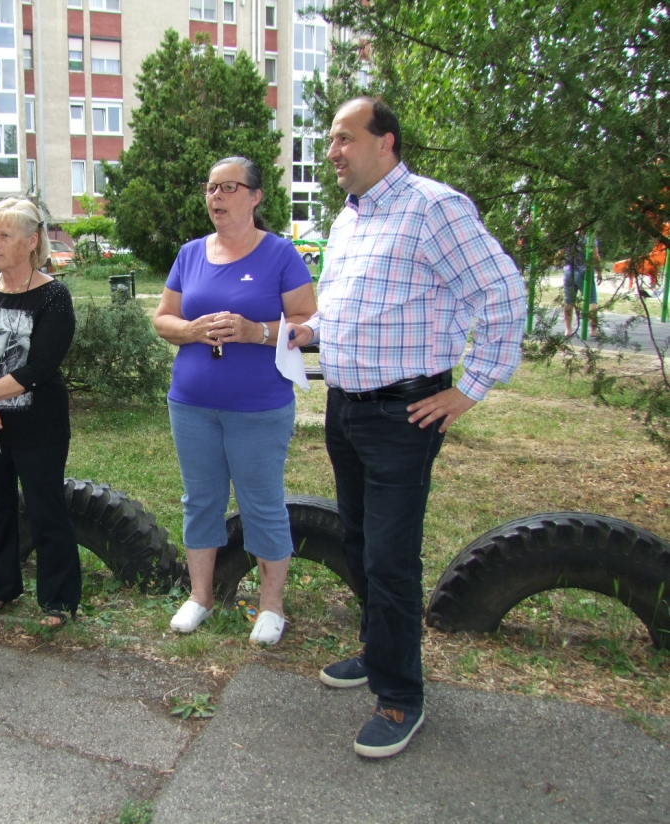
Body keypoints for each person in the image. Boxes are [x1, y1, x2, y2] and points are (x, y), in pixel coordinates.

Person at [286, 97, 526, 758]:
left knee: (390, 558)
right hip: (346, 409)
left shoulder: (433, 208)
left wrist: (468, 389)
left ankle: (399, 698)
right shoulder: (349, 218)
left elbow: (503, 293)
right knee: (360, 540)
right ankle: (378, 649)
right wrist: (310, 331)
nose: (332, 151)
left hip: (404, 413)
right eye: (329, 140)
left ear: (385, 141)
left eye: (344, 138)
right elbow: (349, 304)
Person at [153, 156, 317, 646]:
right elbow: (163, 318)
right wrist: (189, 330)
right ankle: (200, 597)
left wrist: (256, 331)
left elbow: (308, 322)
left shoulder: (281, 254)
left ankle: (272, 607)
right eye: (211, 188)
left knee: (261, 503)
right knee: (200, 498)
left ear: (255, 196)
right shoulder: (190, 254)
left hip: (259, 405)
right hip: (191, 403)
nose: (216, 197)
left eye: (229, 187)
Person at [0, 197, 80, 628]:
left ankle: (58, 599)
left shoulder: (53, 296)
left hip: (38, 425)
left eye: (5, 235)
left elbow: (39, 368)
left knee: (46, 511)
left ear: (32, 241)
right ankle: (0, 586)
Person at [562, 233, 601, 337]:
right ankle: (593, 329)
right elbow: (595, 255)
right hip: (584, 270)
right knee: (591, 299)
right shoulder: (590, 237)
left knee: (569, 301)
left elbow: (561, 253)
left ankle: (568, 330)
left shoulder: (570, 236)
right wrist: (599, 272)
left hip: (568, 270)